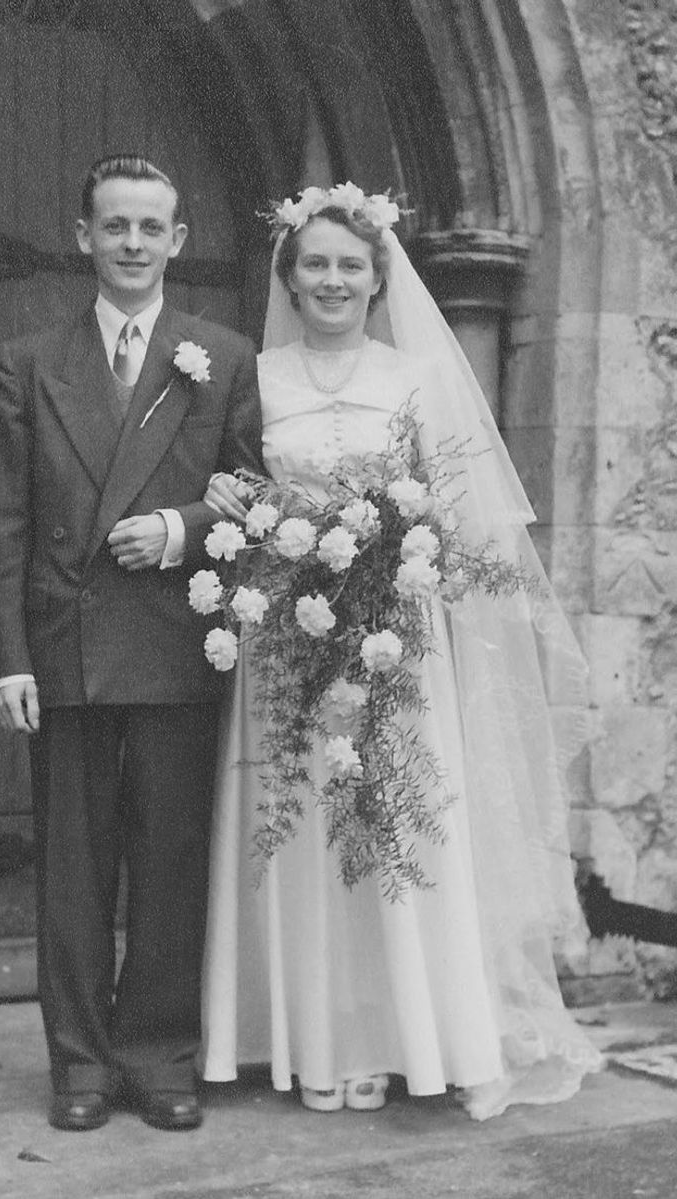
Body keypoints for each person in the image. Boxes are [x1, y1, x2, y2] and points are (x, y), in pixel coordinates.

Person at [200, 184, 602, 1119]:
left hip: (392, 639)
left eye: (351, 264)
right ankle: (307, 1039)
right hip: (286, 645)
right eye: (315, 265)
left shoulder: (417, 377)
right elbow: (236, 486)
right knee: (297, 827)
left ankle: (407, 1035)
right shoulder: (253, 376)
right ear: (288, 279)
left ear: (380, 277)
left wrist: (404, 562)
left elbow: (465, 517)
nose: (333, 279)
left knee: (399, 830)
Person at [0, 155, 263, 1133]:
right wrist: (10, 655)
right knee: (74, 866)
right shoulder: (27, 360)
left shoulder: (221, 355)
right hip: (64, 648)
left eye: (151, 227)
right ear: (82, 236)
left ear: (178, 241)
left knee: (170, 857)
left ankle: (157, 1050)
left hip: (175, 643)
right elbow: (8, 521)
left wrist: (181, 529)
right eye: (115, 227)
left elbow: (253, 492)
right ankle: (79, 1062)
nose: (133, 244)